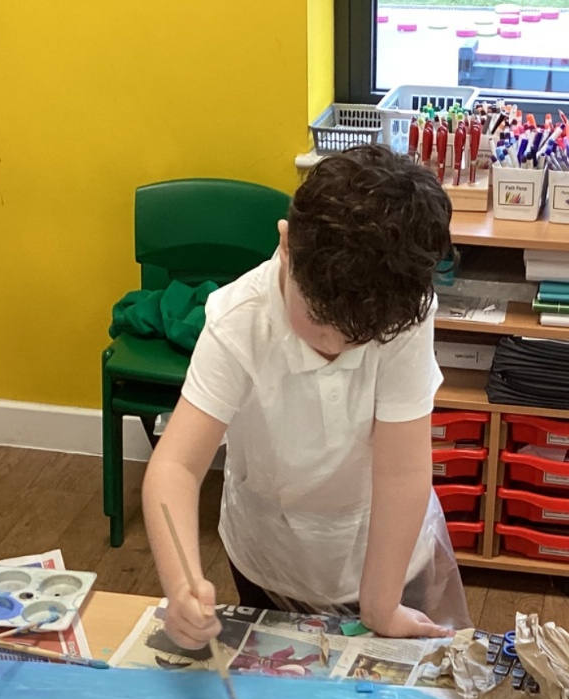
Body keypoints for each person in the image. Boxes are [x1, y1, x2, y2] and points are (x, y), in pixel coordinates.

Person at [143, 144, 466, 649]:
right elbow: (176, 466)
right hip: (269, 556)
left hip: (386, 551)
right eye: (318, 321)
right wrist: (182, 584)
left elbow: (402, 471)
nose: (334, 344)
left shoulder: (402, 309)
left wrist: (380, 604)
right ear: (286, 242)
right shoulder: (239, 321)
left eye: (358, 337)